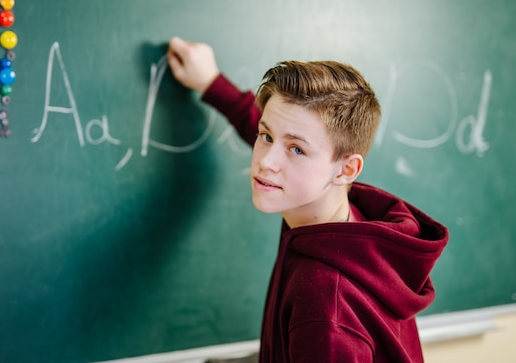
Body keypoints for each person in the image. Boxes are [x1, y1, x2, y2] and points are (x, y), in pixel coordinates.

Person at [166, 36, 449, 363]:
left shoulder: (325, 311)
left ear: (346, 169)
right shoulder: (347, 219)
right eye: (266, 136)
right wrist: (212, 83)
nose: (266, 162)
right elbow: (280, 131)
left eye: (296, 149)